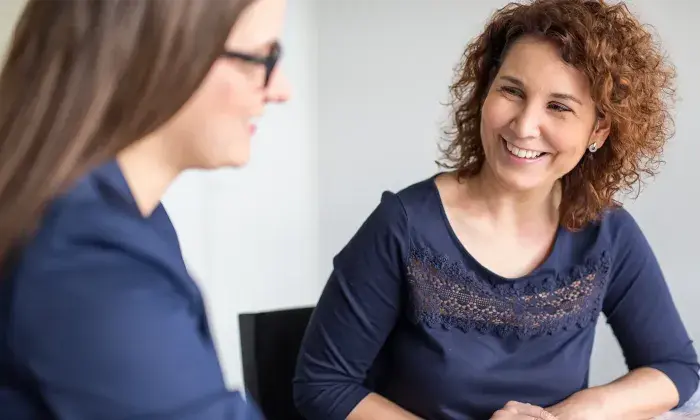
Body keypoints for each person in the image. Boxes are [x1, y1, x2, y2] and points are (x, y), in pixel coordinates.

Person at [293, 0, 699, 419]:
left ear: (599, 129)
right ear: (486, 92)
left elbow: (675, 368)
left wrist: (574, 412)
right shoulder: (403, 225)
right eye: (512, 91)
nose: (524, 126)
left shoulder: (609, 233)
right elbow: (323, 384)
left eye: (559, 107)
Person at [0, 0, 290, 419]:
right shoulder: (87, 259)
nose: (281, 89)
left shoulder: (130, 217)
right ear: (162, 56)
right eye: (265, 57)